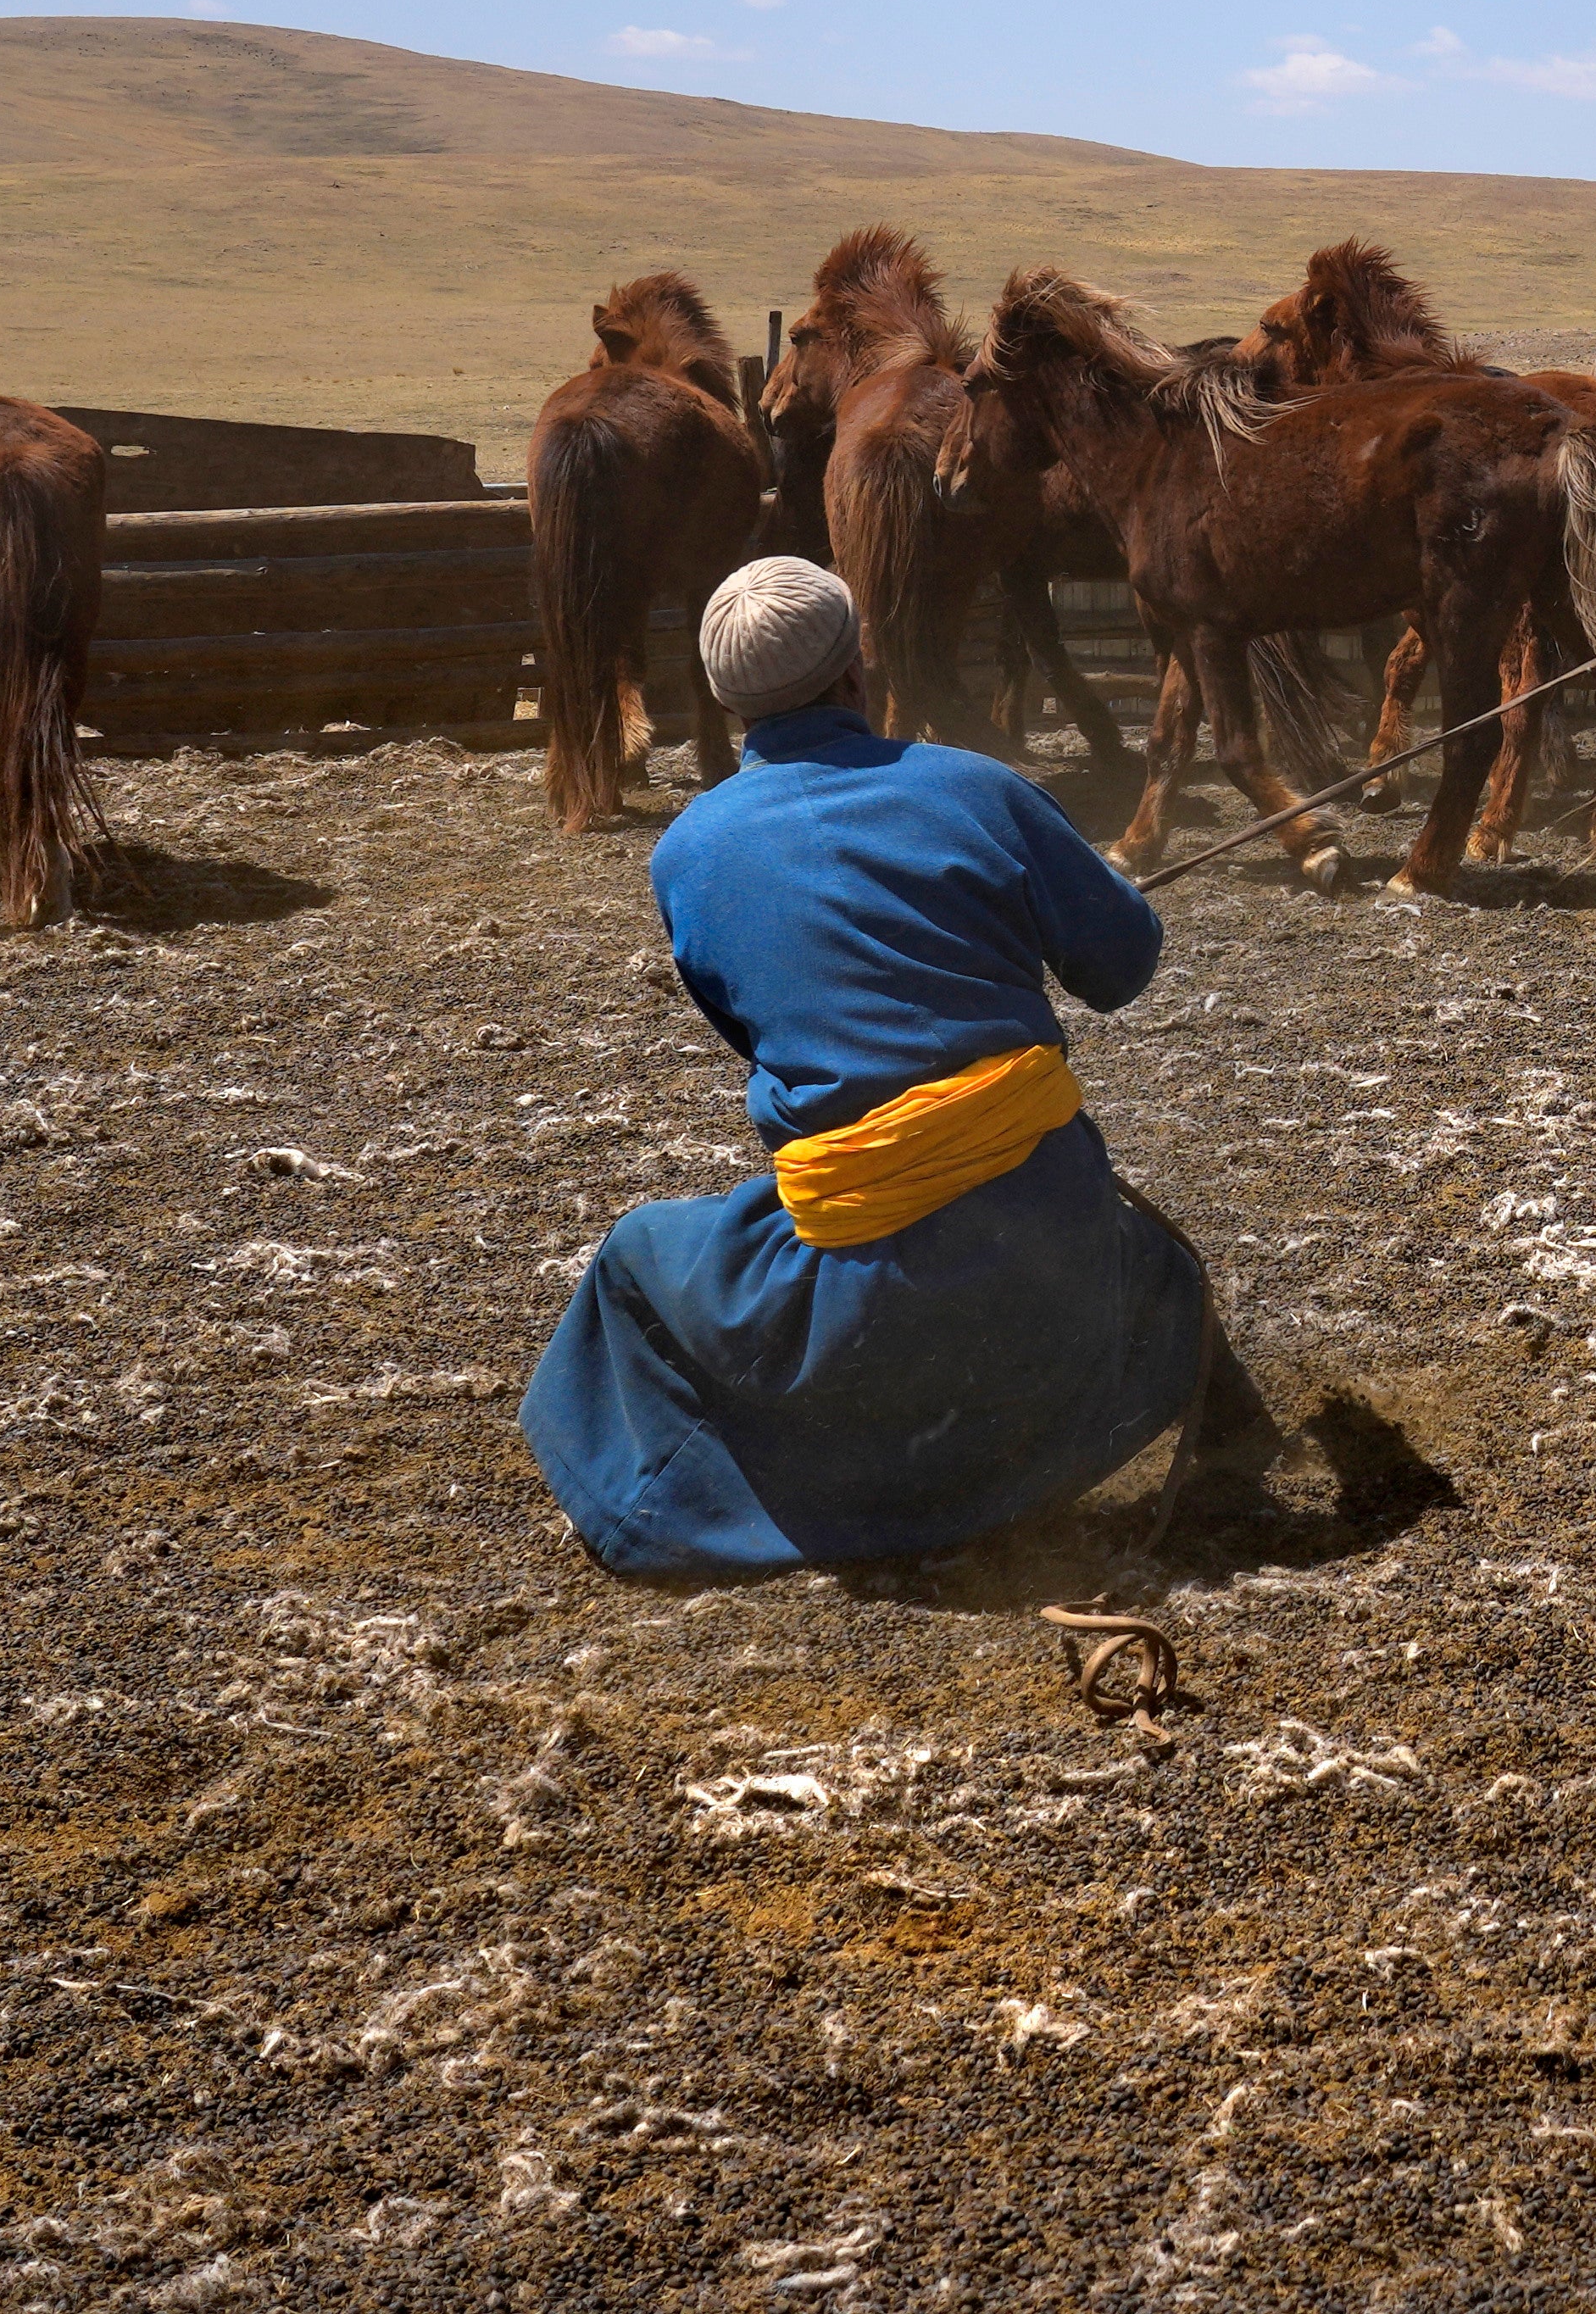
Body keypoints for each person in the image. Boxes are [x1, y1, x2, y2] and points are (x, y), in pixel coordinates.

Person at [519, 556, 1223, 1575]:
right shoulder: (979, 787)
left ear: (723, 696)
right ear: (858, 666)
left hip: (859, 1281)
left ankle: (657, 1515)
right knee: (1169, 1280)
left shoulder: (686, 851)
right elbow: (1123, 966)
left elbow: (756, 1038)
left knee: (638, 1254)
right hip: (1047, 1238)